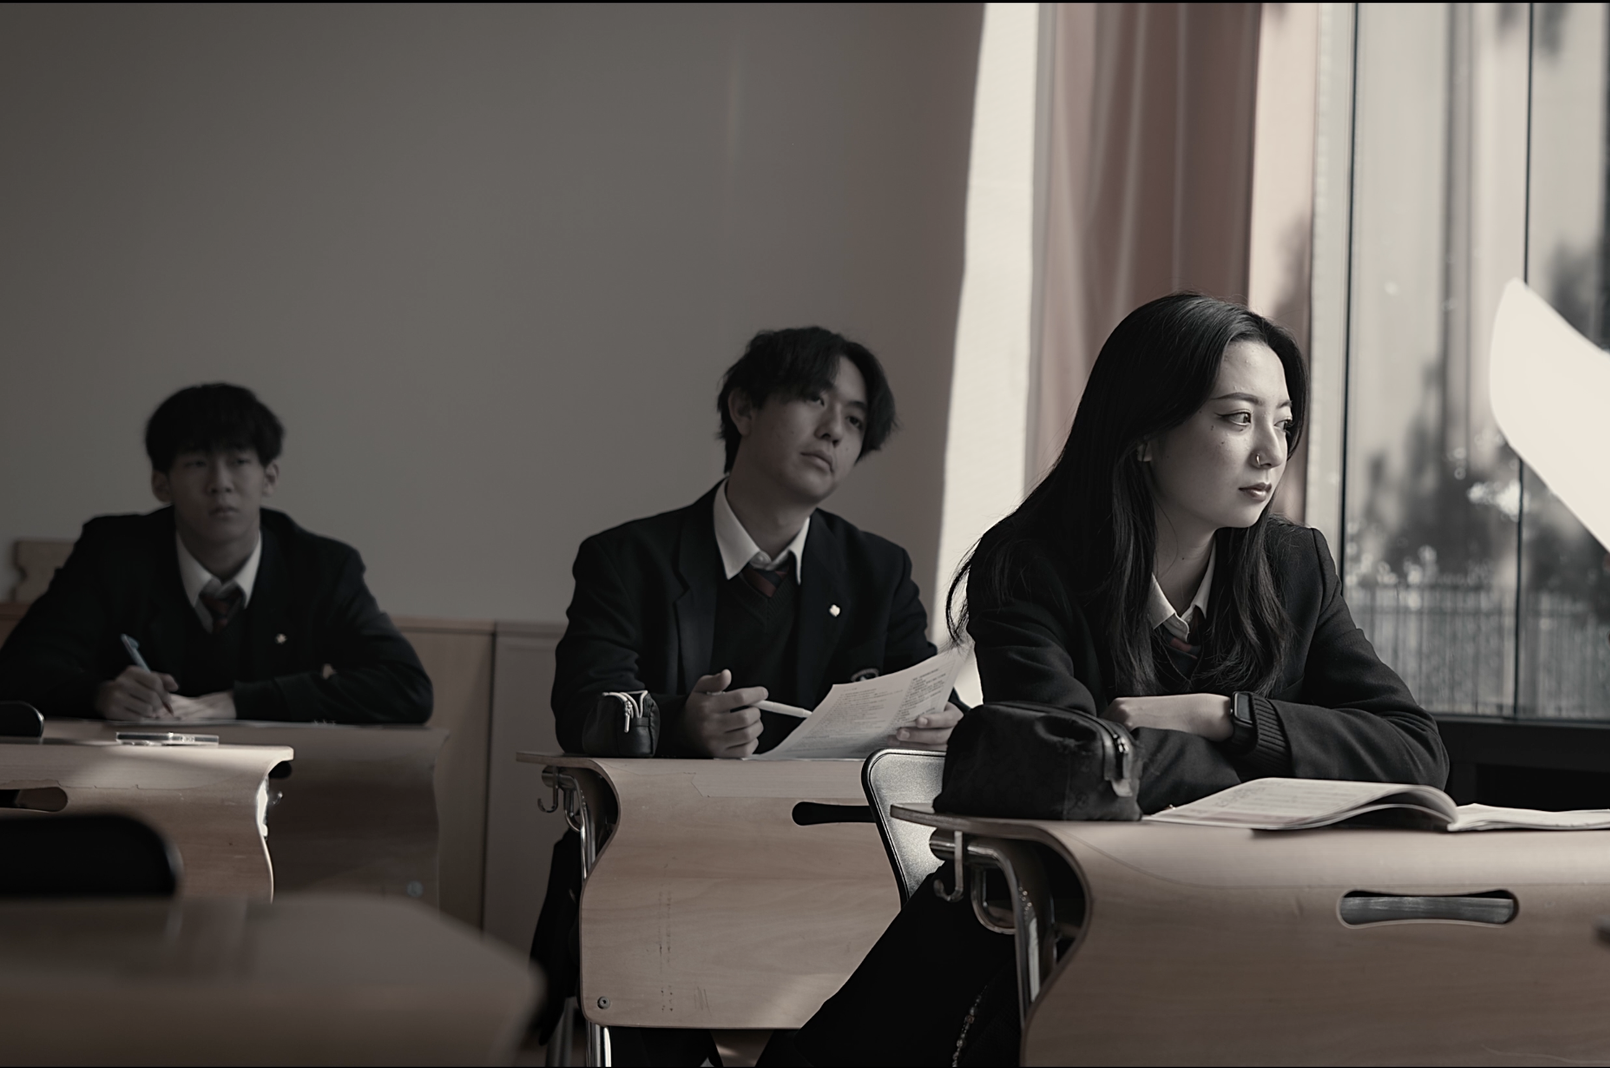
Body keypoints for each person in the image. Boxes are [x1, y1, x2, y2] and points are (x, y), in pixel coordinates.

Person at [767, 294, 1446, 1066]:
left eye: (1283, 422)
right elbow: (1079, 768)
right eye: (1236, 418)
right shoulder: (1028, 564)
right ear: (1147, 433)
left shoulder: (1296, 566)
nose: (1271, 451)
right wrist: (1298, 772)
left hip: (1252, 917)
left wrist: (1225, 717)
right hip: (1052, 929)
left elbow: (1417, 755)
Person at [535, 327, 959, 1066]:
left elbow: (915, 690)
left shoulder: (875, 570)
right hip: (664, 865)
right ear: (742, 408)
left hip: (836, 873)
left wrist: (929, 725)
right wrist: (679, 722)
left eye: (856, 421)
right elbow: (583, 706)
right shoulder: (627, 559)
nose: (835, 429)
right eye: (814, 400)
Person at [0, 383, 430, 724]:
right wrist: (98, 693)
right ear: (161, 484)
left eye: (239, 461)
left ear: (269, 478)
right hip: (131, 786)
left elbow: (406, 688)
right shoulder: (112, 553)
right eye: (196, 464)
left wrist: (240, 702)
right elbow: (18, 670)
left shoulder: (321, 568)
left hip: (280, 791)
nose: (220, 483)